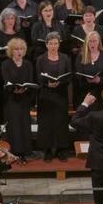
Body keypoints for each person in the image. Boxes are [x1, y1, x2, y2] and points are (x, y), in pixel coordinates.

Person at [36, 32, 71, 162]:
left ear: (59, 44)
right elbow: (38, 77)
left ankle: (61, 150)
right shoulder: (40, 59)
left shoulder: (65, 58)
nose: (53, 46)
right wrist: (47, 83)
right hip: (46, 94)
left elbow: (68, 76)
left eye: (56, 43)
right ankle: (48, 150)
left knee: (61, 122)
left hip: (60, 93)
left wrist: (60, 82)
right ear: (46, 45)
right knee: (47, 122)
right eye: (50, 43)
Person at [1, 38, 35, 163]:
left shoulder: (28, 64)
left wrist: (25, 89)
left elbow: (30, 80)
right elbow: (6, 81)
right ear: (11, 51)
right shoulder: (6, 64)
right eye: (16, 49)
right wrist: (13, 90)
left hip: (24, 98)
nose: (19, 52)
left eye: (21, 49)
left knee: (25, 125)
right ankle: (15, 152)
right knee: (14, 126)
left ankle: (25, 153)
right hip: (12, 99)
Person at [0, 9, 24, 129]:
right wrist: (9, 54)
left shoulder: (19, 34)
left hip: (17, 69)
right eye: (7, 18)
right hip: (2, 70)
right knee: (0, 97)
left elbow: (24, 50)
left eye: (12, 18)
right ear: (3, 20)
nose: (10, 21)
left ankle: (14, 122)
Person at [75, 30, 103, 110]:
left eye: (95, 41)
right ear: (86, 42)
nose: (92, 43)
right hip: (85, 91)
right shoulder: (81, 55)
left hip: (101, 91)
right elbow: (78, 75)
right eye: (90, 41)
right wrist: (87, 80)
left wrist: (100, 80)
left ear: (99, 42)